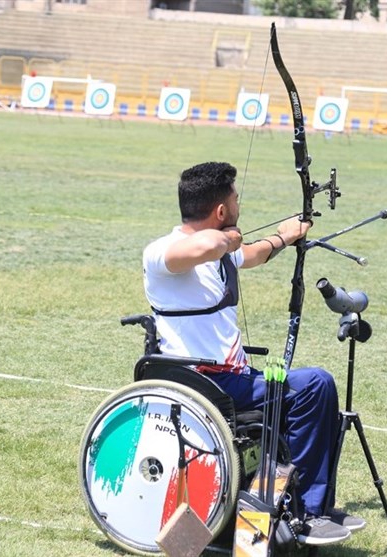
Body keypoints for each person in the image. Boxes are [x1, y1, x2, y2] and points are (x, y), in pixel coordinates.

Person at [142, 162, 365, 546]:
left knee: (308, 389)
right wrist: (230, 238)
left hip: (232, 379)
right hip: (207, 384)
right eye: (236, 198)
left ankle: (305, 506)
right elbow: (212, 245)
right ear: (221, 211)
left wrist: (284, 237)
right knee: (315, 385)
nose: (239, 203)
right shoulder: (164, 253)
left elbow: (253, 253)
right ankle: (309, 513)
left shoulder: (219, 250)